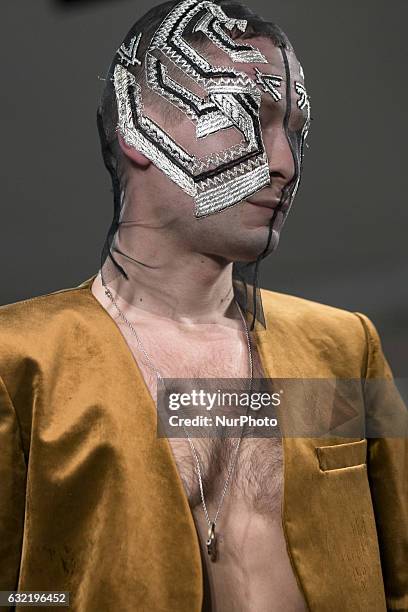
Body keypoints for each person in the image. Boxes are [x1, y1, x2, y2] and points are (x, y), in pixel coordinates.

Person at [0, 0, 407, 610]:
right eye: (241, 117)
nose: (284, 164)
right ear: (138, 129)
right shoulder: (19, 360)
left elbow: (398, 569)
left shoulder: (343, 344)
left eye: (293, 131)